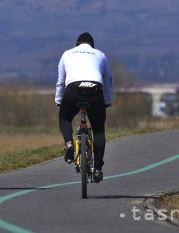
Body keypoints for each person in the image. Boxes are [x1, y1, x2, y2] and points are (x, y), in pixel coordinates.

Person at [55, 32, 113, 183]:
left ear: (77, 45)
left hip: (73, 90)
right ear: (92, 46)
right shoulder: (100, 54)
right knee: (99, 129)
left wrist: (59, 100)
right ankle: (98, 168)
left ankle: (68, 142)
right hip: (95, 90)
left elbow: (60, 82)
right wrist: (107, 101)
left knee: (64, 117)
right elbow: (108, 81)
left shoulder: (67, 54)